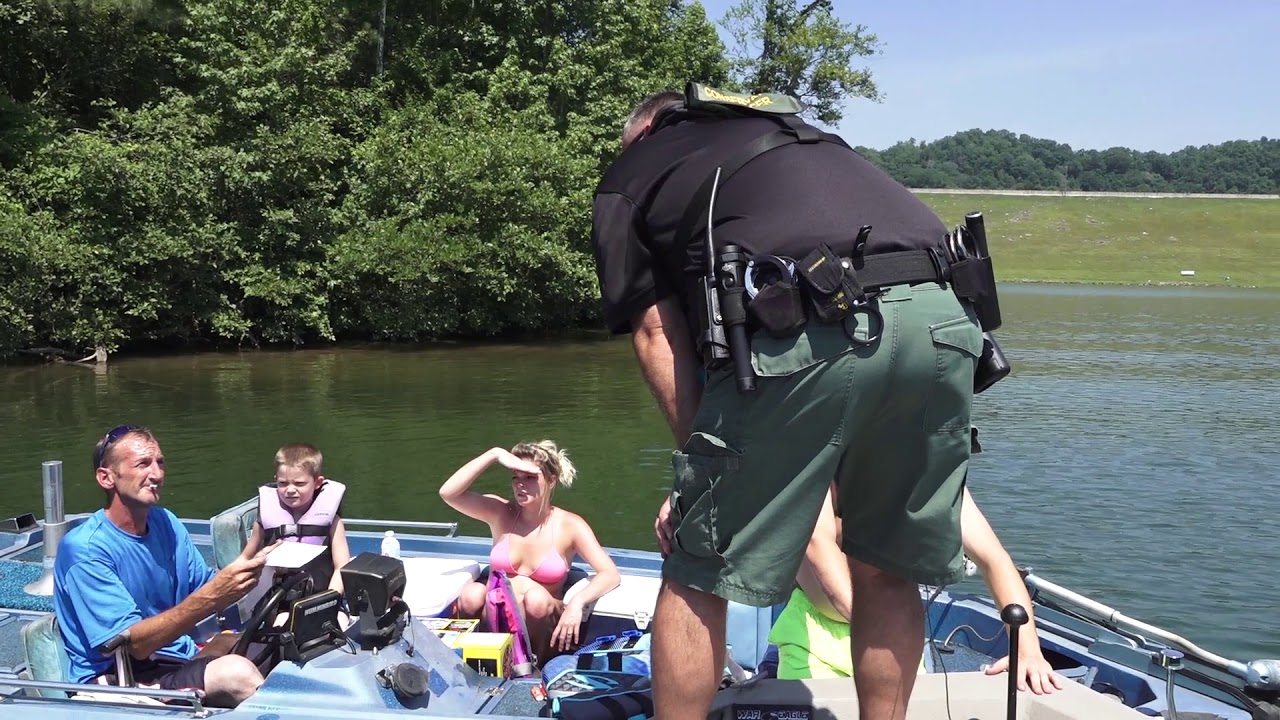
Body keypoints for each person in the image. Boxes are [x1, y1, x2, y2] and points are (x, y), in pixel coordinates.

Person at [590, 84, 990, 720]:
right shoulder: (806, 138)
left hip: (808, 318)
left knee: (700, 567)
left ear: (644, 133)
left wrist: (705, 477)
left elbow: (655, 332)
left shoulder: (632, 174)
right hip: (945, 319)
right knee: (887, 565)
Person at [769, 483, 1067, 695]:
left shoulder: (934, 473)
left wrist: (1027, 651)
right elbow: (818, 544)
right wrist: (876, 625)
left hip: (895, 634)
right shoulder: (822, 458)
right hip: (815, 639)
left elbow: (994, 559)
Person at [53, 425, 275, 708]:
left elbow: (206, 586)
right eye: (143, 464)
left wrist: (261, 571)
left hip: (177, 657)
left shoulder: (166, 522)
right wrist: (216, 594)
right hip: (121, 679)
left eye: (160, 462)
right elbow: (135, 646)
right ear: (106, 477)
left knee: (282, 643)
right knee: (236, 673)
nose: (156, 475)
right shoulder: (84, 549)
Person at [438, 441, 621, 662]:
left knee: (535, 599)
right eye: (516, 477)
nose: (520, 485)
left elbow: (610, 574)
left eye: (530, 478)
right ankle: (469, 663)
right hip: (495, 616)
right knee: (471, 594)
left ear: (551, 480)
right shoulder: (500, 512)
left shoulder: (570, 525)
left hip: (542, 626)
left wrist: (577, 603)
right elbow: (448, 493)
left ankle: (538, 670)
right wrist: (494, 454)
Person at [239, 442, 351, 597]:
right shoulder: (264, 520)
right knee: (283, 621)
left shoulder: (333, 522)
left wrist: (329, 600)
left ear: (317, 483)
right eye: (283, 483)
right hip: (279, 601)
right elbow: (245, 558)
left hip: (322, 598)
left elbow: (342, 566)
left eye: (299, 483)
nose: (290, 490)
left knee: (341, 621)